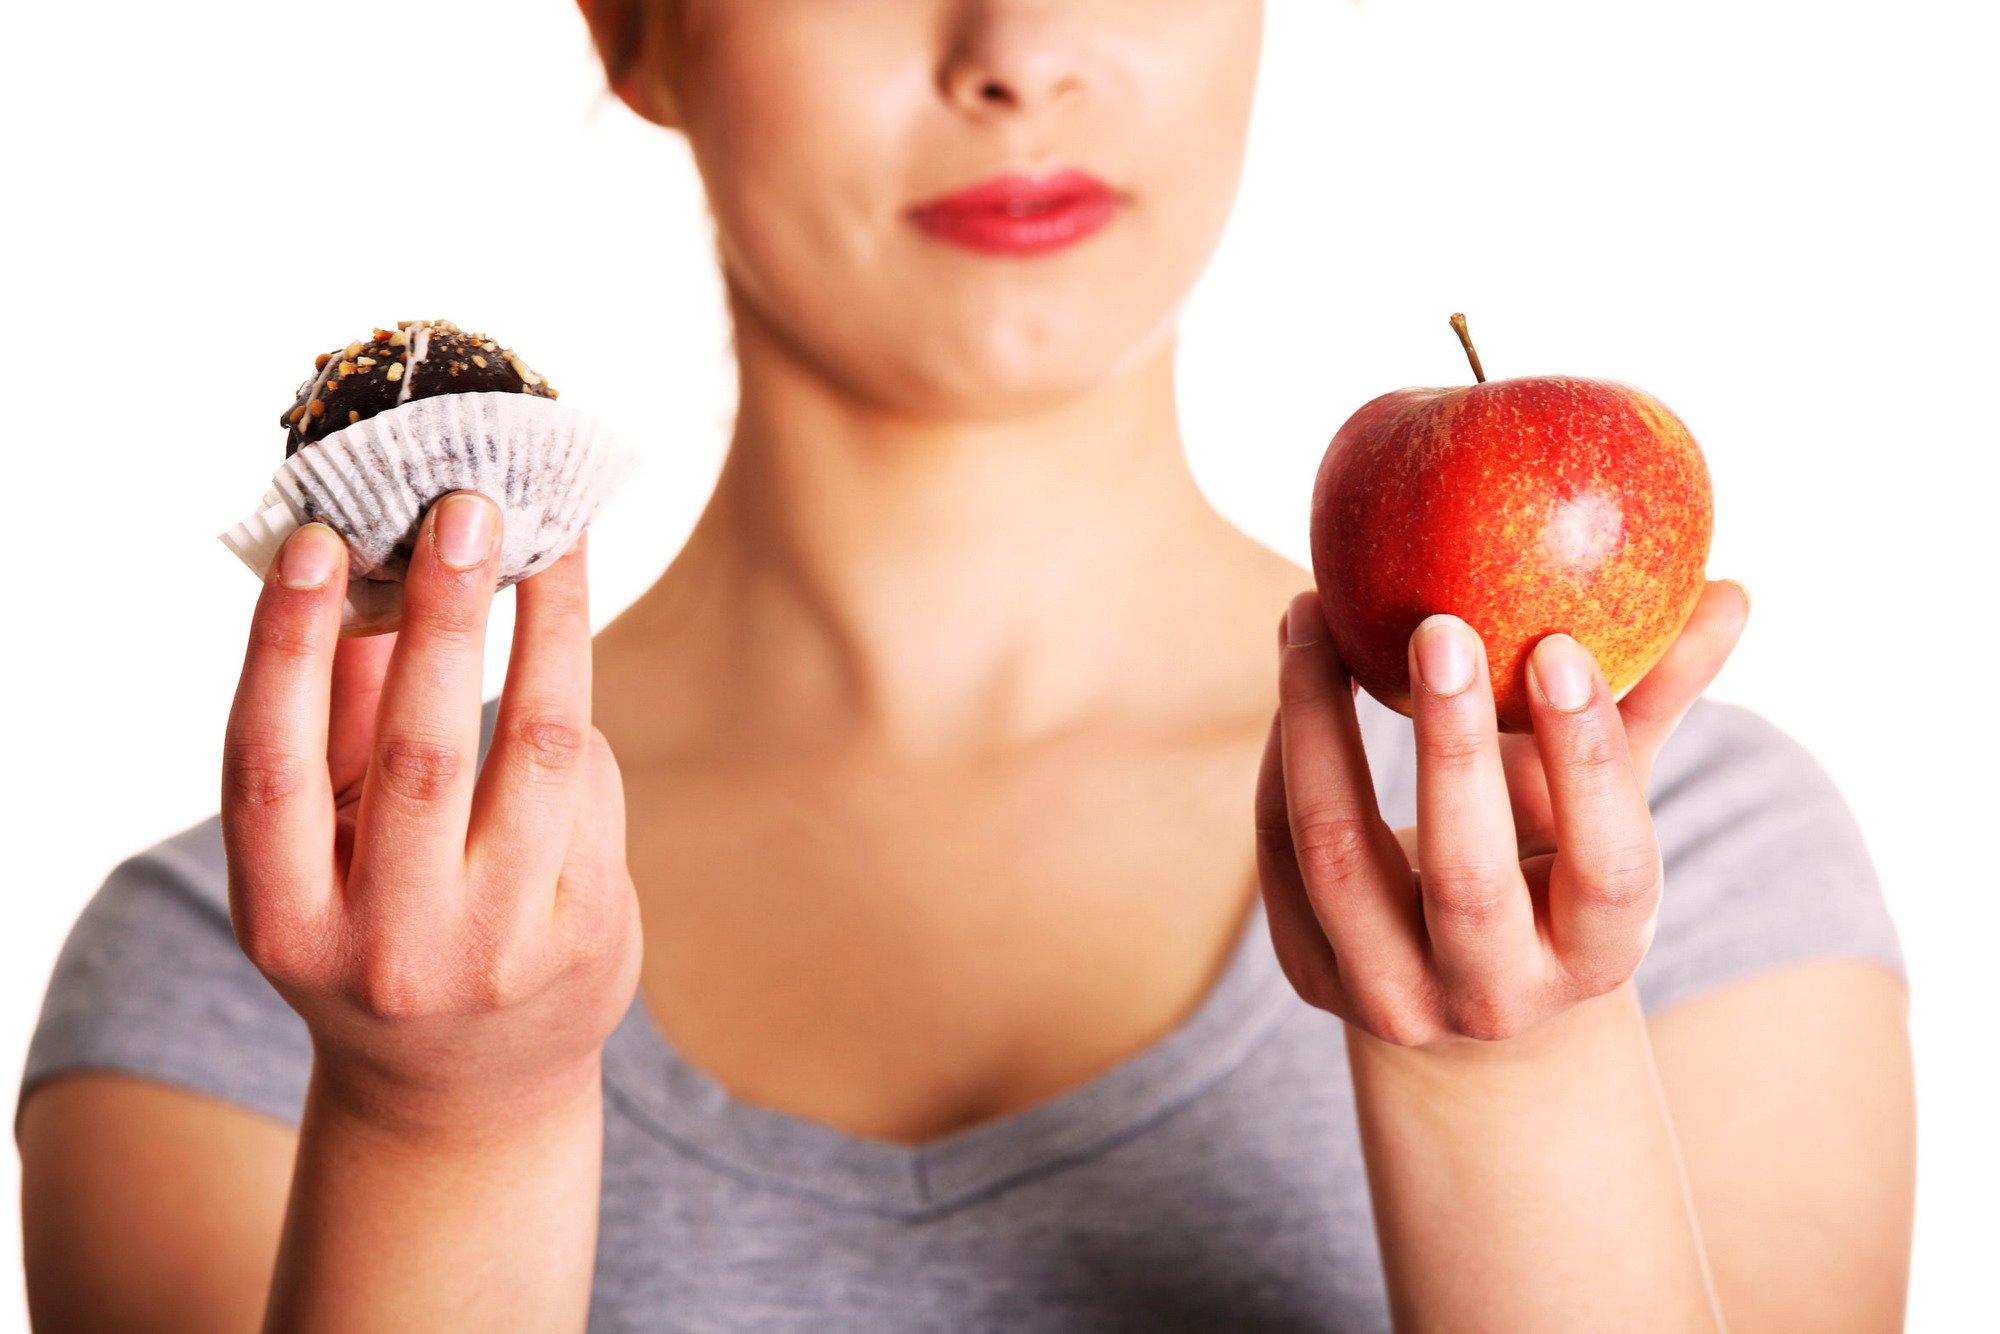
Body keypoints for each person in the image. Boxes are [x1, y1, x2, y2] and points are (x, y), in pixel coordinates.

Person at [16, 2, 1915, 1329]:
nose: (1017, 45)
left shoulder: (1704, 876)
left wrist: (1520, 1069)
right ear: (631, 23)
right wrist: (439, 1120)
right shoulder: (243, 975)